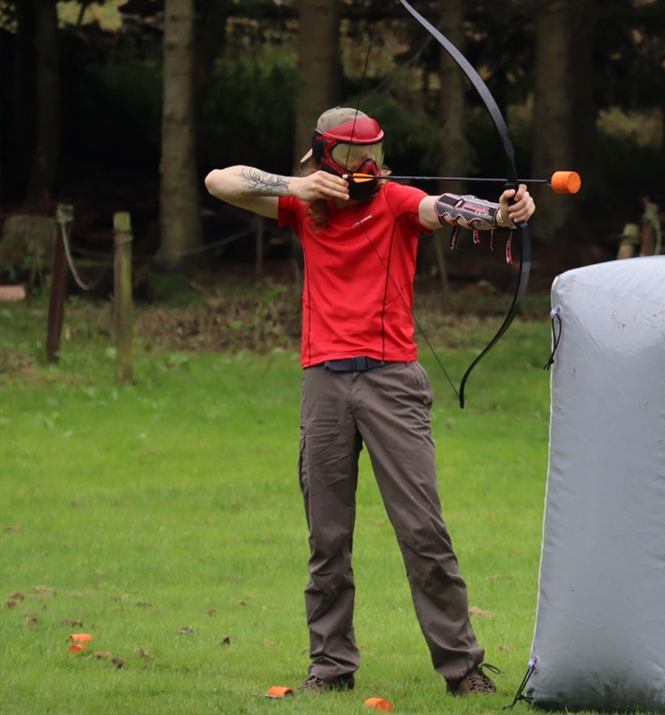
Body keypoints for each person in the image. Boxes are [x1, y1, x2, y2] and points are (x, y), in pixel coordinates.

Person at [204, 107, 534, 696]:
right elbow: (218, 180)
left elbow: (450, 207)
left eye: (375, 160)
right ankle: (331, 670)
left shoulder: (398, 201)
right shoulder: (304, 205)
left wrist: (505, 213)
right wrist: (296, 186)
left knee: (422, 532)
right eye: (355, 163)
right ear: (325, 161)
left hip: (392, 382)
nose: (369, 172)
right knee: (327, 537)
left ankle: (462, 670)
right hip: (324, 383)